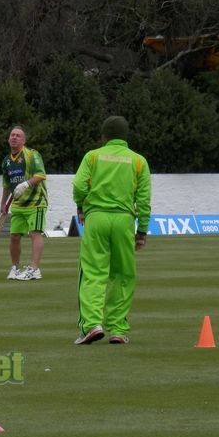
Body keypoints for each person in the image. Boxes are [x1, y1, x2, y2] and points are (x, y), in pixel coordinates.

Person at [72, 116, 151, 345]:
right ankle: (117, 329)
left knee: (93, 273)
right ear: (125, 136)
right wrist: (142, 231)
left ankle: (92, 325)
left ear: (103, 136)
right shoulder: (138, 161)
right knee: (123, 275)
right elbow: (144, 200)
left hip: (96, 218)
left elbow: (78, 186)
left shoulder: (93, 156)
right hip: (125, 220)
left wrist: (81, 205)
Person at [0, 125, 48, 281]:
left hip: (36, 202)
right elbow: (7, 185)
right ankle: (15, 268)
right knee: (14, 236)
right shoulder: (6, 161)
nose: (14, 137)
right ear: (8, 139)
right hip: (18, 205)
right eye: (12, 135)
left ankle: (34, 269)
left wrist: (26, 184)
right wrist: (3, 204)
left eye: (18, 135)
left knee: (35, 233)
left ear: (24, 140)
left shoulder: (32, 155)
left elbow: (40, 175)